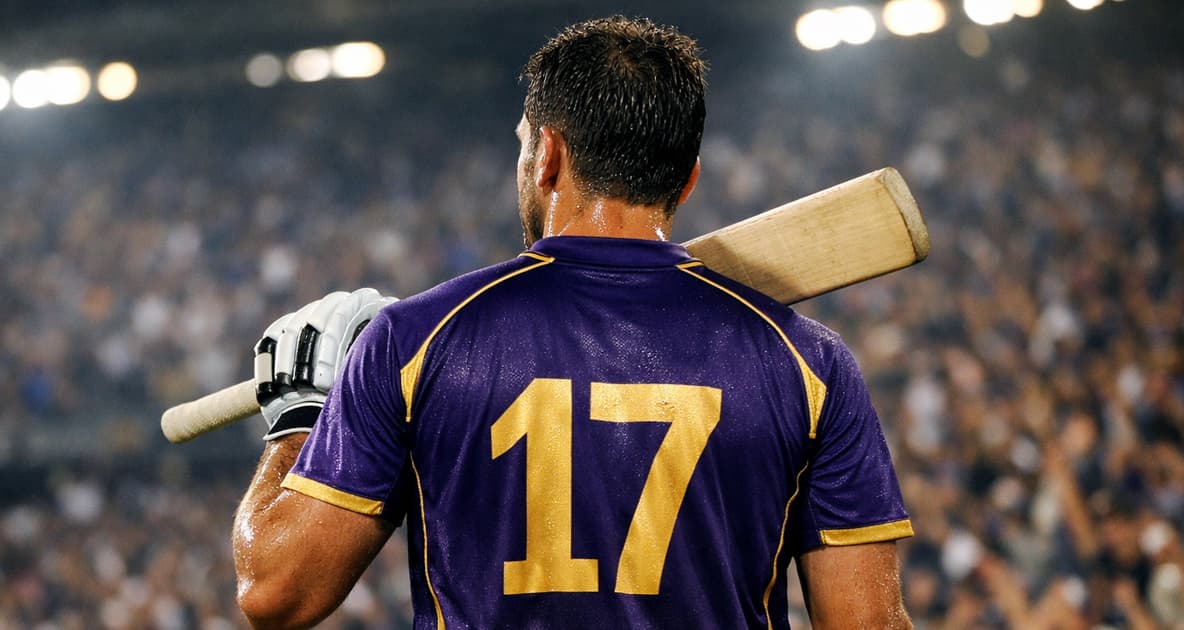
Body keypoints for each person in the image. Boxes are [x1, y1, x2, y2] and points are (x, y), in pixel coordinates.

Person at [233, 15, 914, 630]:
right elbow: (868, 625)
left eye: (524, 145)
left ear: (548, 155)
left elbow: (275, 592)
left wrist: (298, 420)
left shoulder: (415, 342)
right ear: (687, 181)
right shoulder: (811, 365)